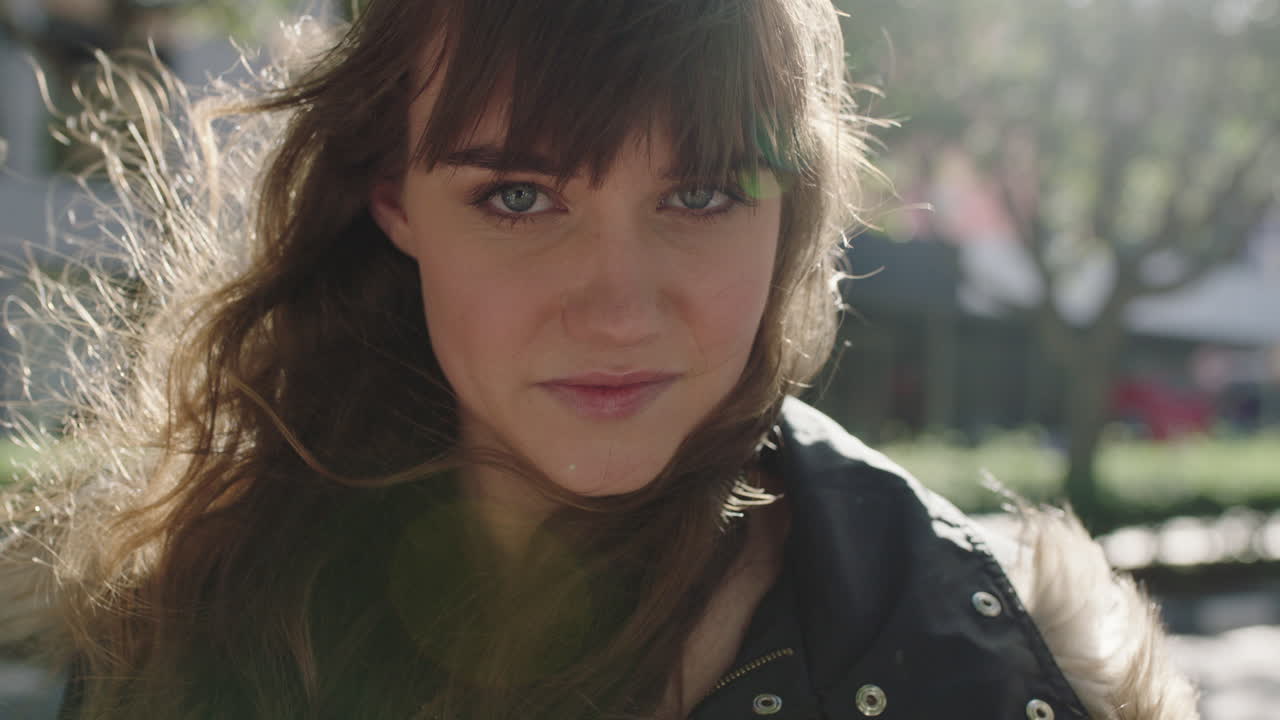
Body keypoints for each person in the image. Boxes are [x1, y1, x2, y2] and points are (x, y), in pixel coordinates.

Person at [0, 0, 1197, 718]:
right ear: (394, 200)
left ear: (791, 214)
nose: (619, 309)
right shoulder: (187, 623)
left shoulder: (957, 661)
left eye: (702, 191)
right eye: (519, 196)